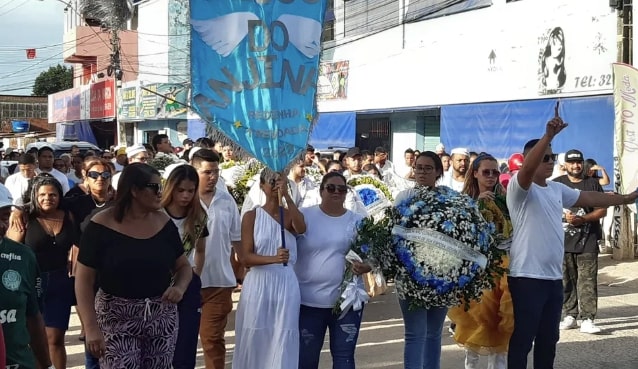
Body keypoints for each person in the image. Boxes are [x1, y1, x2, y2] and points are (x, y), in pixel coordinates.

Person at [505, 108, 638, 369]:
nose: (549, 161)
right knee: (522, 340)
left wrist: (624, 199)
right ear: (530, 159)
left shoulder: (556, 189)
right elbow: (528, 169)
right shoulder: (519, 189)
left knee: (548, 340)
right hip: (526, 278)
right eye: (543, 157)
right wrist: (547, 136)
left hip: (553, 279)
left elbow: (589, 198)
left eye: (552, 157)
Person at [75, 163, 192, 368]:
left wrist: (179, 288)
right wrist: (90, 327)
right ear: (135, 190)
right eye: (154, 187)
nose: (160, 193)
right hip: (115, 316)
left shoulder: (163, 223)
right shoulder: (101, 225)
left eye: (161, 186)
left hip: (160, 315)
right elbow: (84, 279)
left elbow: (183, 266)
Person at [233, 169, 306, 369]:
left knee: (283, 331)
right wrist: (273, 258)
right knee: (256, 332)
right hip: (259, 282)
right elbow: (246, 257)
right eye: (272, 182)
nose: (276, 186)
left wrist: (288, 198)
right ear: (262, 186)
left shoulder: (290, 214)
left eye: (280, 182)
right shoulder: (251, 215)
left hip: (284, 282)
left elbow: (301, 228)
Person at [296, 172, 369, 369]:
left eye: (342, 189)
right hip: (308, 302)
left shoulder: (359, 221)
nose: (336, 192)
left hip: (347, 301)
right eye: (331, 188)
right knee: (306, 359)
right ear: (321, 191)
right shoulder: (304, 215)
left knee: (345, 358)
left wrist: (366, 266)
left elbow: (374, 256)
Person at [447, 154, 512, 369]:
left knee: (501, 324)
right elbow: (458, 232)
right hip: (475, 269)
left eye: (495, 172)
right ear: (475, 173)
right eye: (486, 171)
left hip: (502, 267)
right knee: (476, 321)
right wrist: (477, 205)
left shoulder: (505, 199)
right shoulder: (463, 200)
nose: (492, 176)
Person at [7, 175, 78, 369]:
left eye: (53, 194)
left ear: (59, 196)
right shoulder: (25, 217)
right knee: (35, 338)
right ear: (34, 196)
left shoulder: (69, 215)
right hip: (31, 283)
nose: (48, 198)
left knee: (55, 338)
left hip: (60, 281)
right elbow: (10, 253)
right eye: (43, 195)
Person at [396, 151, 449, 369]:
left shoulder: (450, 199)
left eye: (428, 168)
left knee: (434, 333)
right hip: (410, 276)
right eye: (419, 167)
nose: (422, 172)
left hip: (442, 277)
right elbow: (395, 234)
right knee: (415, 333)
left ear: (438, 172)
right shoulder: (404, 197)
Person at [193, 149, 242, 369]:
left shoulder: (227, 200)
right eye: (207, 172)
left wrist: (243, 270)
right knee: (180, 340)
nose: (213, 177)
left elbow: (237, 240)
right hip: (185, 282)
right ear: (194, 171)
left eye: (216, 172)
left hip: (220, 282)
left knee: (213, 340)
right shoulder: (181, 200)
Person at [553, 149, 606, 334]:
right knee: (566, 280)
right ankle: (570, 315)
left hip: (588, 240)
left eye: (578, 162)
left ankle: (588, 318)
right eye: (572, 162)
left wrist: (583, 219)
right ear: (564, 165)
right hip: (562, 241)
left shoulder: (592, 183)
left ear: (583, 164)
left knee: (587, 281)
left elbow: (602, 210)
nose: (575, 166)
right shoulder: (556, 184)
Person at [161, 164, 209, 369]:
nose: (186, 195)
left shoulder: (199, 216)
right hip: (158, 282)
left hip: (188, 283)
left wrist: (195, 276)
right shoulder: (156, 215)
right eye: (181, 190)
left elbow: (200, 250)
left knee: (186, 342)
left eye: (191, 190)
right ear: (171, 188)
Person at [0, 191, 54, 369]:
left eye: (5, 216)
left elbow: (33, 315)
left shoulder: (22, 256)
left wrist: (47, 365)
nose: (2, 225)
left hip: (19, 363)